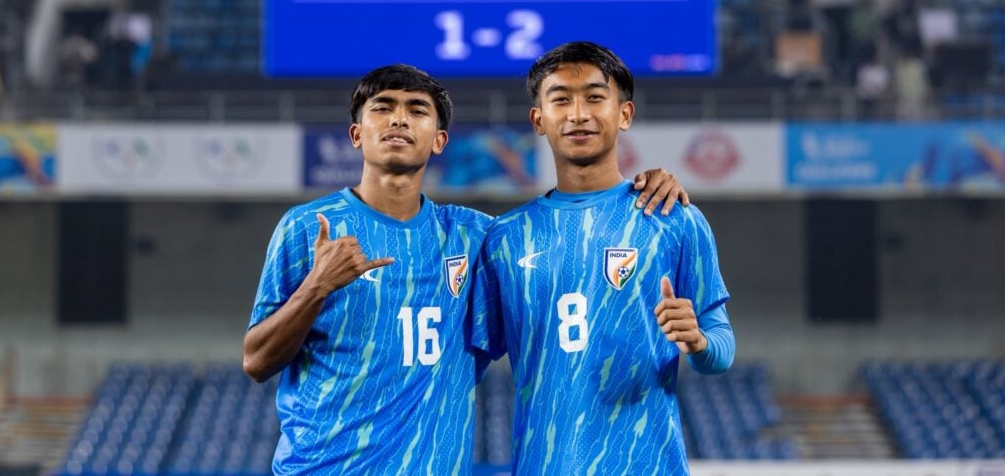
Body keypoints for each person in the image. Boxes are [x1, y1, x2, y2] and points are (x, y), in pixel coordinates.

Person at [243, 63, 691, 473]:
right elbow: (257, 361)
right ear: (357, 134)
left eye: (417, 110)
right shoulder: (307, 228)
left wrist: (641, 190)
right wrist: (317, 286)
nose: (399, 119)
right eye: (383, 108)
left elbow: (560, 238)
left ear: (439, 140)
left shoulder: (474, 237)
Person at [470, 42, 735, 474]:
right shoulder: (504, 238)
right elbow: (462, 365)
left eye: (595, 97)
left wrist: (698, 342)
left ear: (624, 114)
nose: (578, 114)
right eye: (561, 100)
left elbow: (721, 349)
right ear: (538, 119)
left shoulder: (674, 218)